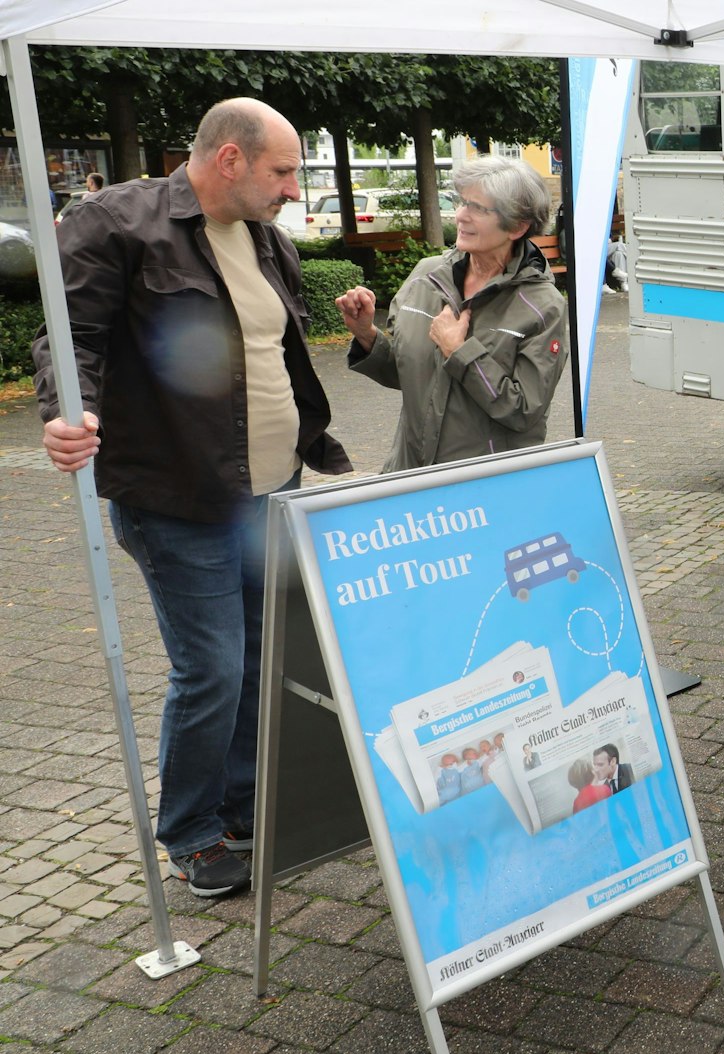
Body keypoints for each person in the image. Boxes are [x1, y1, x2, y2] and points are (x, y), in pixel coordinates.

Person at [34, 98, 349, 899]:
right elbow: (71, 334)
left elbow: (271, 351)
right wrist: (69, 410)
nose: (293, 189)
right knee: (210, 666)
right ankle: (191, 830)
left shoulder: (266, 239)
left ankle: (244, 804)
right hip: (179, 496)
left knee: (259, 655)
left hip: (273, 488)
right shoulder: (119, 221)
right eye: (283, 171)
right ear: (232, 160)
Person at [334, 155, 567, 471]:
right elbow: (411, 374)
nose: (460, 216)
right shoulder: (426, 276)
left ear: (518, 226)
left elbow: (523, 412)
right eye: (462, 202)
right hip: (409, 474)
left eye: (478, 209)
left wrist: (460, 352)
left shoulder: (542, 306)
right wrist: (366, 334)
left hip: (483, 489)